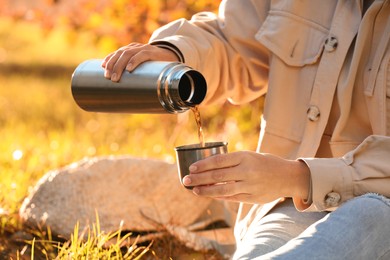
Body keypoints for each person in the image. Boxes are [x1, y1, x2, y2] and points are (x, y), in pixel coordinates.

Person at [102, 0, 390, 259]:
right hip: (298, 203)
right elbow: (233, 39)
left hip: (379, 205)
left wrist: (294, 176)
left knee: (369, 214)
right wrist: (173, 53)